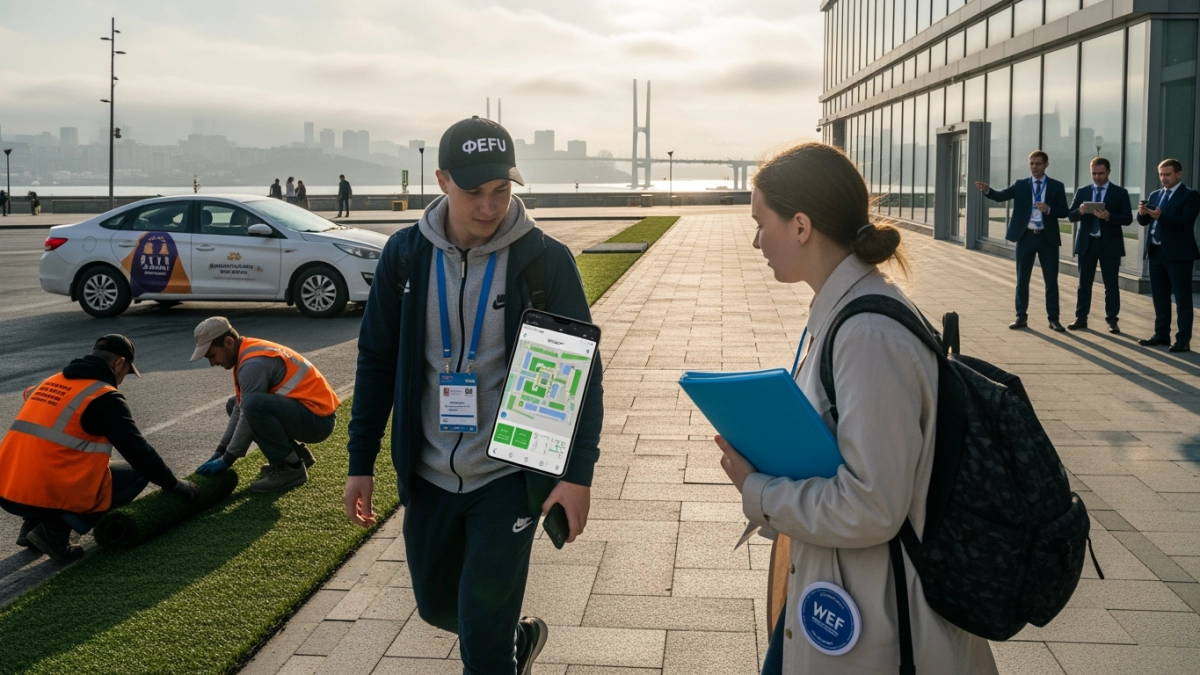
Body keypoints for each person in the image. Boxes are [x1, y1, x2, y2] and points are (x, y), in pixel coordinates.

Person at [720, 142, 997, 673]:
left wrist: (757, 490)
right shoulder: (845, 311)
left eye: (760, 222)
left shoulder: (867, 333)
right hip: (843, 594)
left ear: (801, 226)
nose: (756, 241)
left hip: (882, 623)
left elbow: (873, 507)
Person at [343, 116, 604, 675]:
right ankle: (515, 641)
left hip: (509, 476)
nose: (490, 207)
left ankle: (498, 650)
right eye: (474, 193)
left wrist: (577, 473)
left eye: (502, 191)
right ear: (441, 181)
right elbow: (377, 361)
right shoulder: (405, 257)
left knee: (480, 646)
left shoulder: (543, 260)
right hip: (429, 471)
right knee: (439, 606)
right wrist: (359, 461)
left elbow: (580, 373)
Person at [0, 335, 200, 563]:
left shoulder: (48, 382)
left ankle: (31, 527)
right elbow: (138, 452)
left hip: (8, 488)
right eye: (126, 372)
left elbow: (33, 403)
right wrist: (174, 484)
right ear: (119, 363)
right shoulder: (104, 398)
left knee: (49, 461)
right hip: (42, 490)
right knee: (135, 476)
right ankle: (55, 531)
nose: (123, 379)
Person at [191, 317, 341, 492]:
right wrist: (221, 450)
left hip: (318, 422)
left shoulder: (253, 364)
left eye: (212, 355)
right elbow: (240, 408)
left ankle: (291, 468)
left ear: (228, 342)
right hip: (310, 415)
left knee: (254, 405)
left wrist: (227, 460)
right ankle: (298, 455)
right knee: (234, 404)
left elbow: (249, 413)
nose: (211, 363)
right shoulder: (246, 352)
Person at [975, 151, 1070, 331]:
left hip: (1047, 239)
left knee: (1051, 281)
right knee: (1022, 279)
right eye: (1032, 163)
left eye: (1038, 164)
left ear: (1046, 165)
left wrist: (1049, 209)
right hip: (1025, 237)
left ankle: (1054, 319)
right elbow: (1001, 195)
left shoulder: (1056, 186)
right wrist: (987, 190)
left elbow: (1064, 211)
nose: (1034, 167)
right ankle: (1021, 317)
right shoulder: (1020, 185)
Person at [1136, 158, 1200, 352]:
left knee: (1182, 298)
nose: (1163, 178)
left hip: (1179, 255)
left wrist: (1161, 216)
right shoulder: (1155, 194)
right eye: (1161, 174)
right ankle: (1161, 334)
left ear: (1178, 174)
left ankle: (1183, 339)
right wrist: (1142, 213)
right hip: (1156, 253)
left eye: (1167, 174)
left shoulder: (1190, 195)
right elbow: (1144, 222)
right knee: (1160, 296)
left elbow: (1186, 222)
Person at [1066, 157, 1133, 333]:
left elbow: (1127, 218)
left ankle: (1112, 320)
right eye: (1094, 173)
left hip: (1109, 244)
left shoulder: (1119, 193)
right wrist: (1079, 212)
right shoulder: (1083, 191)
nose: (1097, 177)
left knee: (1111, 284)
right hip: (1087, 244)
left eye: (1100, 173)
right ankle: (1081, 318)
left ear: (1108, 172)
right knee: (1084, 283)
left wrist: (1109, 216)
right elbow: (1070, 216)